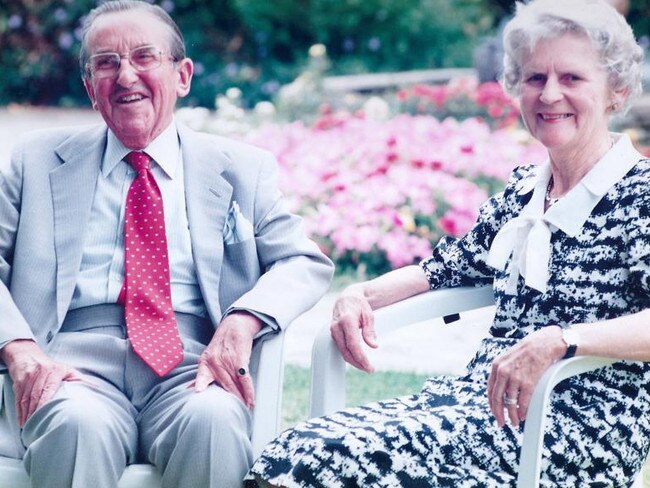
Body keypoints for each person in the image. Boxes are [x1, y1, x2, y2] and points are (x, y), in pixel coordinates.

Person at [249, 0, 649, 485]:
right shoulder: (527, 188)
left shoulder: (639, 191)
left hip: (578, 426)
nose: (549, 95)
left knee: (322, 459)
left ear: (617, 90)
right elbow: (449, 266)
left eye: (572, 79)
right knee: (297, 448)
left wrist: (561, 340)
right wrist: (360, 294)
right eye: (534, 78)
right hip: (478, 406)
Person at [0, 1, 333, 487]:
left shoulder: (241, 167)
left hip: (190, 362)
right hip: (71, 362)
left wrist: (243, 320)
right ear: (92, 89)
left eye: (144, 57)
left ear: (183, 75)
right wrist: (19, 347)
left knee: (215, 423)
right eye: (106, 63)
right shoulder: (36, 162)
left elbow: (303, 261)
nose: (126, 75)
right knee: (77, 426)